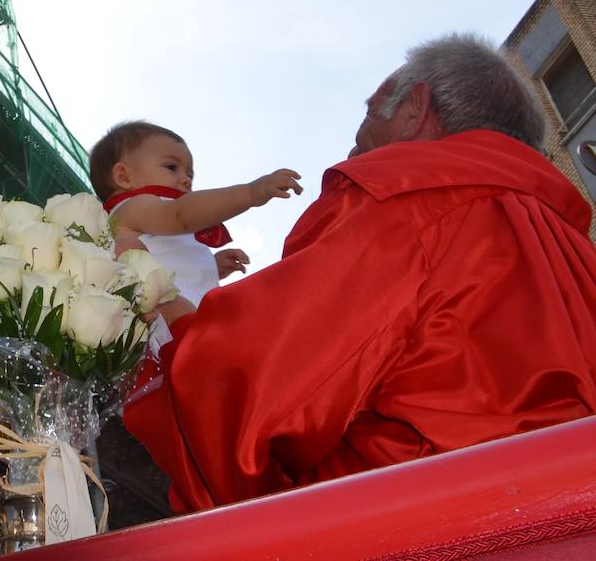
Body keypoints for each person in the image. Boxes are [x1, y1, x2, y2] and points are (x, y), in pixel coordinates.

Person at [124, 34, 596, 514]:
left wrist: (167, 309)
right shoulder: (573, 247)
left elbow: (245, 407)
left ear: (415, 109)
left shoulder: (405, 197)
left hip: (424, 522)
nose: (354, 149)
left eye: (370, 116)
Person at [89, 121, 301, 305]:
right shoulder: (134, 206)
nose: (186, 179)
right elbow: (180, 215)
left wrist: (211, 266)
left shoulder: (156, 213)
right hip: (162, 318)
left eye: (189, 173)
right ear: (124, 176)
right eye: (172, 167)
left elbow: (175, 263)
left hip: (185, 315)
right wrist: (249, 192)